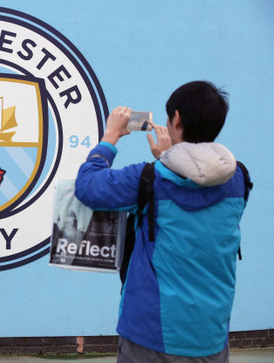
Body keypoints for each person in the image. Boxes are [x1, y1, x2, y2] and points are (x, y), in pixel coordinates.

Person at [74, 81, 250, 362]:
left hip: (150, 336)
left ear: (176, 119)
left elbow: (88, 186)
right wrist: (167, 157)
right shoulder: (238, 178)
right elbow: (197, 182)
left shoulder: (148, 178)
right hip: (211, 335)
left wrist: (110, 138)